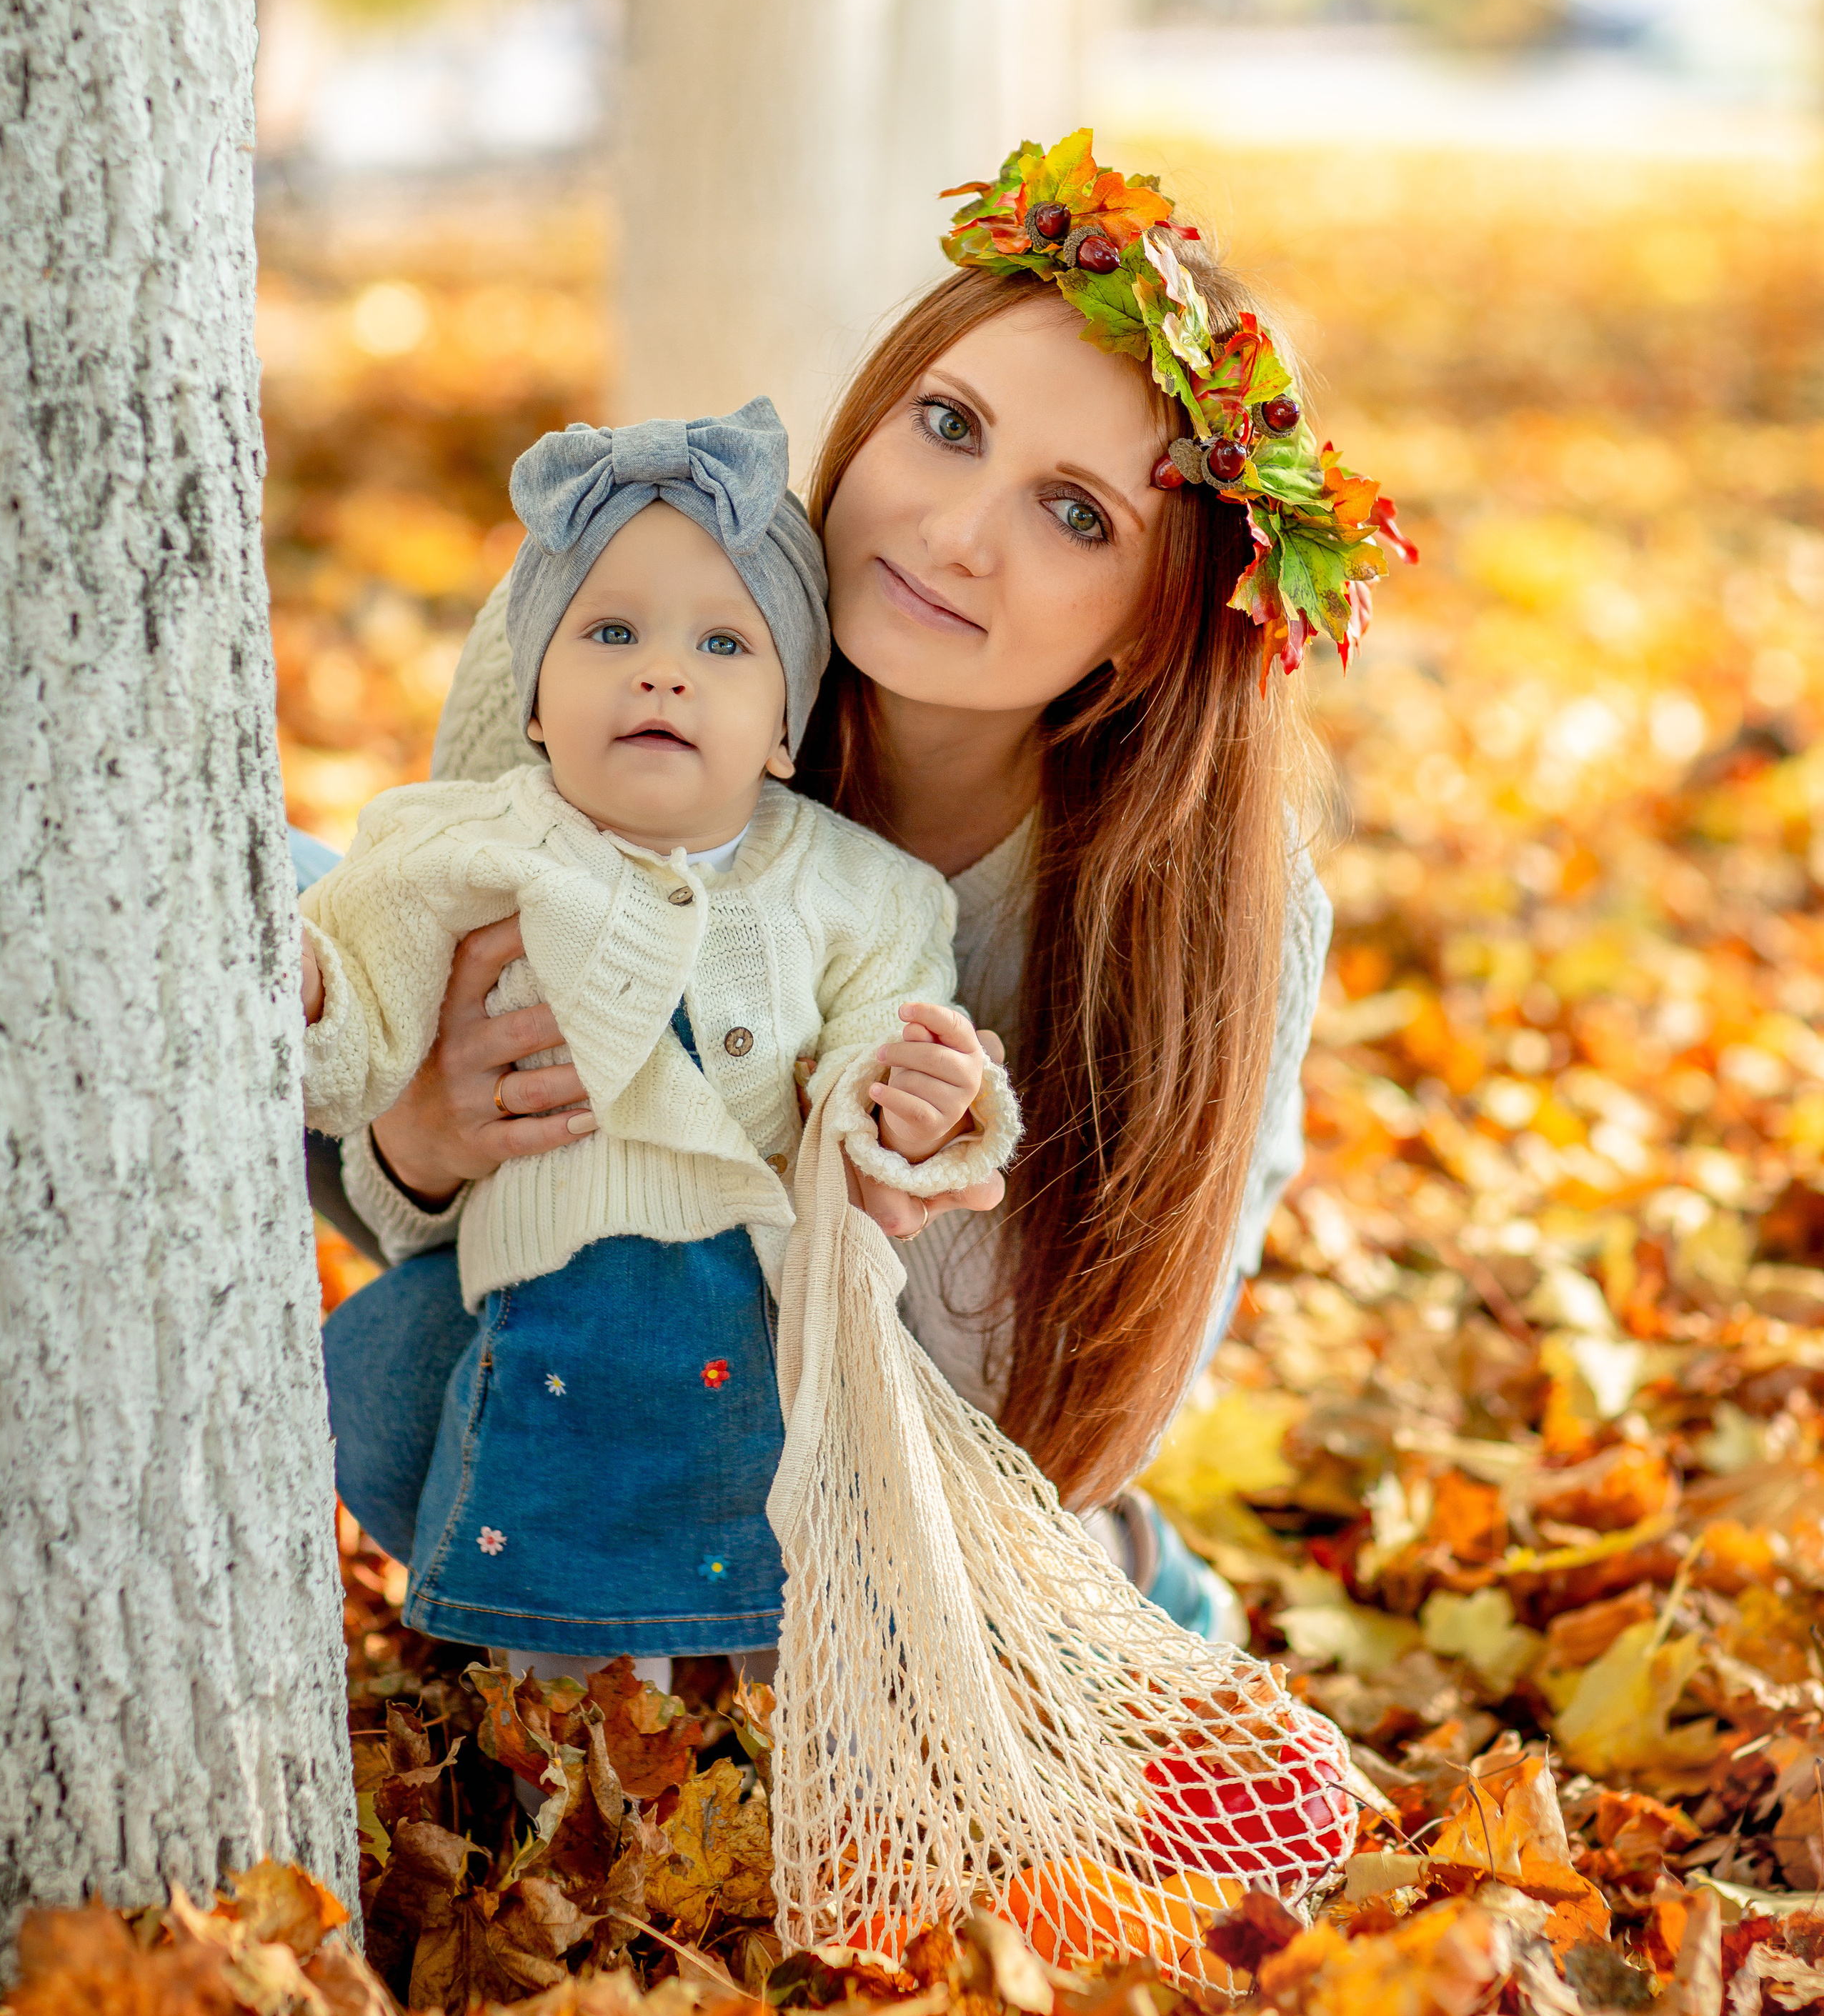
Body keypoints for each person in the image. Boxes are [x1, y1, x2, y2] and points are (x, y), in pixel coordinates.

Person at [314, 131, 1412, 1648]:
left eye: (1075, 512)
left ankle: (1111, 1602)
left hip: (927, 1407)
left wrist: (905, 1204)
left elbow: (1109, 1360)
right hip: (594, 1280)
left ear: (1154, 631)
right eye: (945, 425)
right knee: (317, 986)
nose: (954, 535)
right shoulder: (613, 616)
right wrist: (418, 1138)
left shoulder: (1218, 905)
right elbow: (467, 1150)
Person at [299, 399, 1016, 1682]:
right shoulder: (456, 851)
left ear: (789, 729)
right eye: (611, 631)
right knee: (548, 1592)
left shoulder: (864, 891)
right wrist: (306, 992)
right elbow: (361, 1038)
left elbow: (879, 1055)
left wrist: (917, 1109)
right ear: (531, 700)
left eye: (725, 644)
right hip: (547, 1317)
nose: (661, 671)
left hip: (765, 1329)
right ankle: (546, 1764)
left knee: (772, 1599)